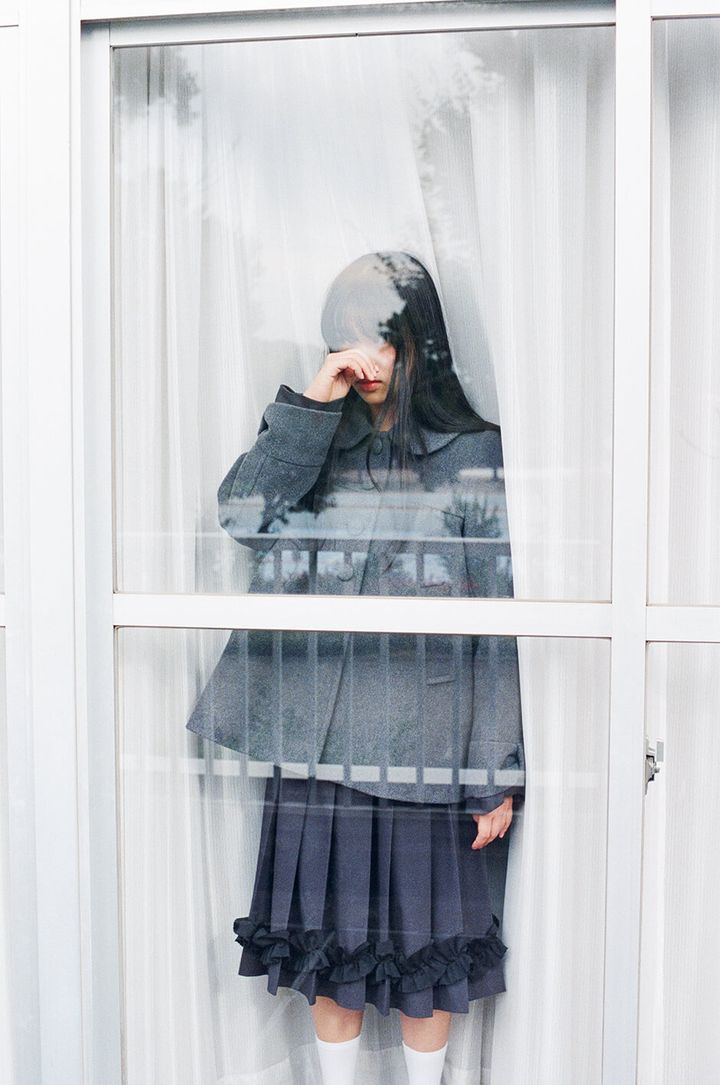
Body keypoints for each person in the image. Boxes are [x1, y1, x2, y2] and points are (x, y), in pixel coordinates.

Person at [185, 251, 525, 1085]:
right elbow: (243, 518)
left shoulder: (471, 453)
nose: (364, 360)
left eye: (379, 339)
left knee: (426, 958)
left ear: (418, 343)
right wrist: (315, 400)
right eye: (346, 338)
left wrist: (496, 767)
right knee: (325, 949)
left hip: (426, 751)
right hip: (314, 744)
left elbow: (500, 620)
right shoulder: (317, 442)